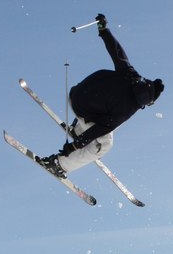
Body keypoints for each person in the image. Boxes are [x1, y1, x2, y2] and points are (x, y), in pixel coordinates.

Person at [38, 14, 164, 178]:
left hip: (74, 94)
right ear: (151, 100)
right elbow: (102, 128)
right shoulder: (129, 108)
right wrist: (76, 145)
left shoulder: (131, 75)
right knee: (105, 143)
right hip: (83, 111)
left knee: (107, 112)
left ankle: (78, 129)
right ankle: (59, 164)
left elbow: (116, 51)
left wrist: (103, 29)